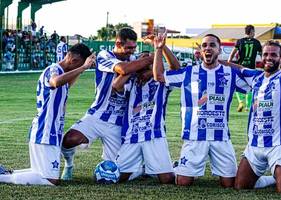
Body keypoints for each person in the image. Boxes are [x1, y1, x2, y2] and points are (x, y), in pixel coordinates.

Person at [153, 34, 250, 187]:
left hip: (220, 137)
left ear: (219, 50)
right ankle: (178, 167)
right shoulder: (188, 73)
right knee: (183, 183)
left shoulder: (230, 73)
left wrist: (228, 64)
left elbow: (256, 80)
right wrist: (159, 49)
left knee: (230, 184)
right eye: (204, 46)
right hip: (194, 137)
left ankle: (270, 180)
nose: (207, 48)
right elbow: (159, 76)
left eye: (212, 45)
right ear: (200, 50)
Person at [60, 28, 154, 180]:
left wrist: (148, 69)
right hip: (97, 115)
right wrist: (149, 59)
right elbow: (123, 69)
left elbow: (151, 71)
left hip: (118, 122)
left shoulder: (133, 60)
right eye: (129, 48)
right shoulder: (105, 55)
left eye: (134, 48)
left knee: (121, 171)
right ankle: (69, 165)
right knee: (69, 140)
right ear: (118, 43)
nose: (132, 51)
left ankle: (141, 168)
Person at [0, 43, 95, 185]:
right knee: (50, 180)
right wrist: (83, 67)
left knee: (39, 173)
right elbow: (55, 82)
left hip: (50, 130)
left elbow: (66, 83)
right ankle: (3, 177)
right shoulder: (53, 69)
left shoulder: (62, 73)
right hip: (45, 130)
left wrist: (81, 68)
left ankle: (6, 173)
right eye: (79, 65)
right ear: (73, 60)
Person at [233, 40, 281, 194]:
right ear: (261, 56)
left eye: (273, 54)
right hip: (254, 145)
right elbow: (239, 68)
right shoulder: (255, 77)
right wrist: (217, 60)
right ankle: (274, 178)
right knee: (240, 186)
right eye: (265, 54)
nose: (268, 57)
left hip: (279, 145)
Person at [113, 32, 179, 184]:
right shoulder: (132, 82)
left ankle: (177, 167)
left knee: (167, 180)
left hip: (154, 133)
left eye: (148, 60)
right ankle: (141, 169)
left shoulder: (161, 81)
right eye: (141, 60)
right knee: (118, 178)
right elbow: (116, 86)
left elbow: (175, 68)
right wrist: (133, 70)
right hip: (132, 134)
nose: (144, 62)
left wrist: (160, 48)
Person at [228, 25, 262, 112]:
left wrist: (228, 63)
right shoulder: (256, 42)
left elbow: (232, 54)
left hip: (240, 67)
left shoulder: (240, 41)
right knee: (251, 87)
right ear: (251, 31)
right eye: (254, 31)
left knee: (238, 86)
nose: (254, 33)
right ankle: (247, 107)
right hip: (251, 68)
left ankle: (240, 102)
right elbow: (262, 55)